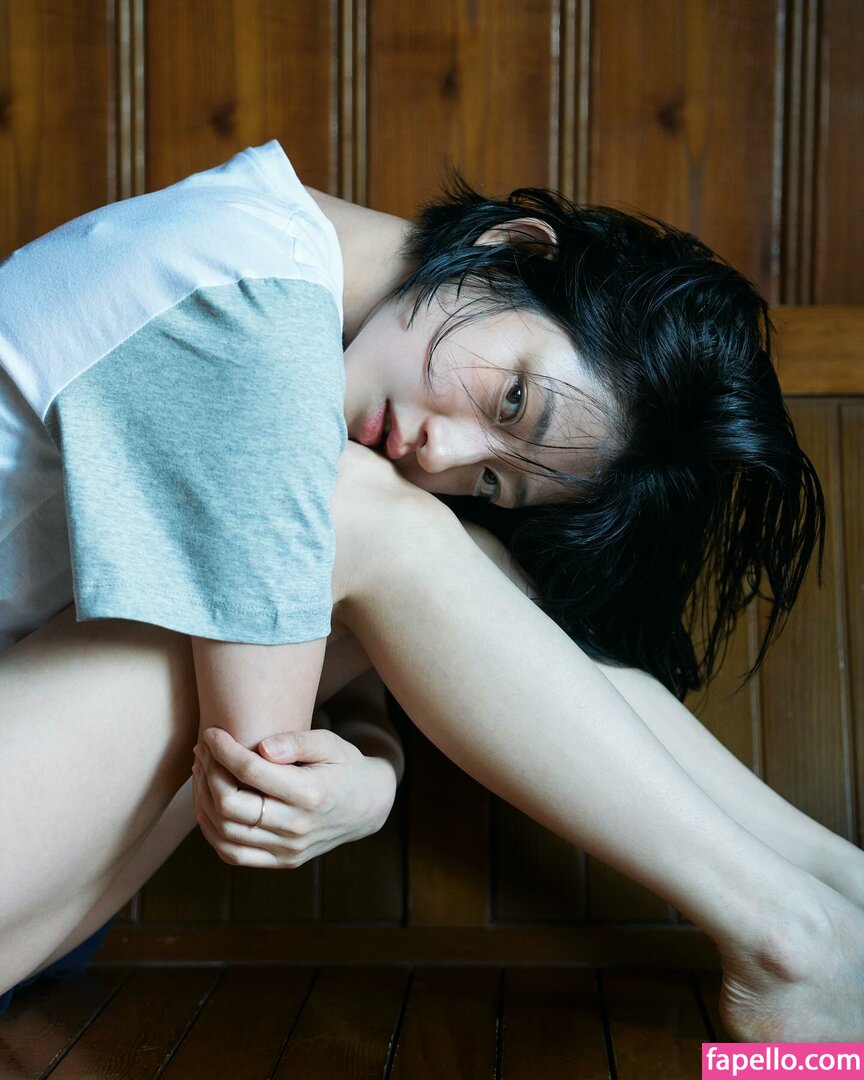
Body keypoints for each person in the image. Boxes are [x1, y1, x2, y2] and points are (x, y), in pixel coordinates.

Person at [1, 143, 862, 1039]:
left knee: (433, 538)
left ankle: (839, 893)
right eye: (515, 401)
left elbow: (320, 681)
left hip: (35, 907)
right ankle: (789, 937)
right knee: (371, 516)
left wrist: (377, 767)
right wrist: (365, 777)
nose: (444, 453)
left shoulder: (288, 287)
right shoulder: (248, 287)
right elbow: (266, 759)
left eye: (493, 479)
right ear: (512, 249)